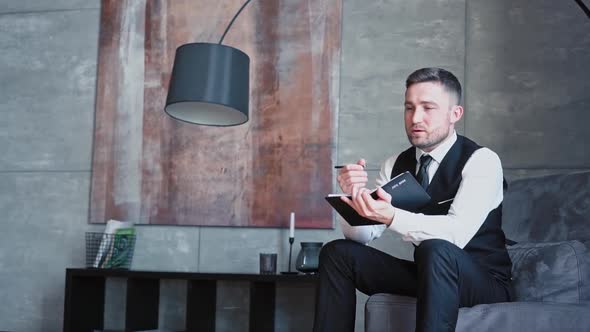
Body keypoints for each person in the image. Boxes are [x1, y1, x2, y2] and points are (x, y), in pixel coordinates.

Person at [313, 67, 513, 332]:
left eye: (428, 108)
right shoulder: (395, 164)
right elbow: (363, 235)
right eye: (409, 108)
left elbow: (456, 235)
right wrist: (355, 197)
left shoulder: (482, 161)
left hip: (484, 282)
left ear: (455, 114)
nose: (415, 118)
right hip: (429, 275)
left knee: (436, 248)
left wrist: (392, 216)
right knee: (337, 253)